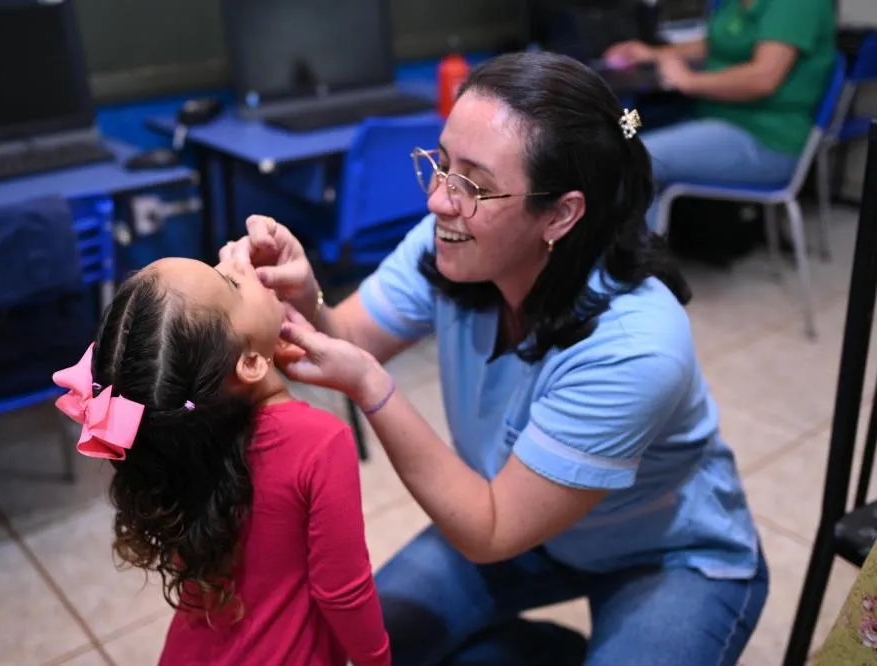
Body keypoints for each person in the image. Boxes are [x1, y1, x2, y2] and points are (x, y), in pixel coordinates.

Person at [220, 51, 768, 666]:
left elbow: (491, 530)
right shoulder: (452, 242)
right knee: (367, 643)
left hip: (665, 553)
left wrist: (372, 388)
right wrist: (304, 295)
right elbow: (345, 337)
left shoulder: (635, 347)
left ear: (561, 213)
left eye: (474, 185)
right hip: (521, 515)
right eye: (442, 164)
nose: (438, 202)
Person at [51, 258, 391, 666]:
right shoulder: (320, 444)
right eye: (230, 281)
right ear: (248, 363)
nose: (235, 261)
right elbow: (343, 592)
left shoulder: (172, 434)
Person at [604, 0, 837, 231]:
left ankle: (634, 265)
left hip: (763, 137)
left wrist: (689, 81)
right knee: (622, 129)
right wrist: (653, 54)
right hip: (707, 116)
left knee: (633, 160)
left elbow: (763, 79)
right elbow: (717, 43)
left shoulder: (798, 5)